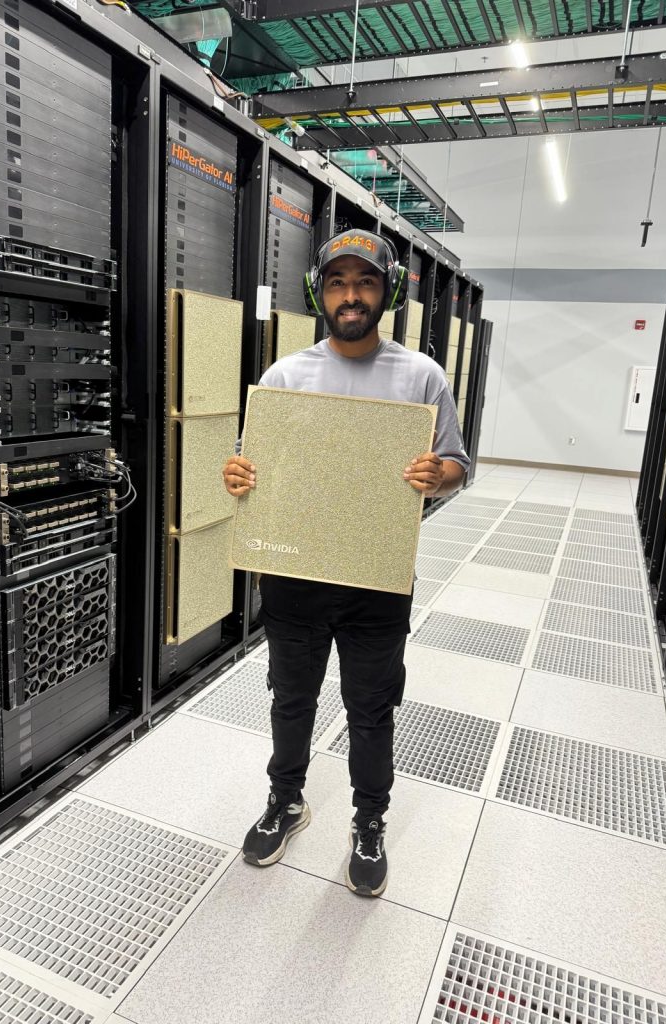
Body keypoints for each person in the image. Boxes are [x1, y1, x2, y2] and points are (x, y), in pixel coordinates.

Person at [221, 229, 470, 897]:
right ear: (321, 292)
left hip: (375, 577)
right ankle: (286, 802)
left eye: (364, 281)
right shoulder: (286, 376)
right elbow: (254, 469)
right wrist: (239, 477)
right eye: (338, 282)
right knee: (291, 697)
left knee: (371, 705)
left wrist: (435, 473)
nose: (351, 294)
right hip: (296, 575)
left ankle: (368, 819)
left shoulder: (421, 375)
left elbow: (458, 468)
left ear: (385, 290)